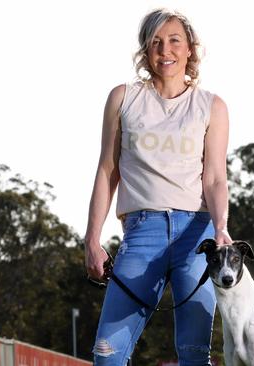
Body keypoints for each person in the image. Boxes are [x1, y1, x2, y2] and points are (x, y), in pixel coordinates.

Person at [83, 8, 232, 366]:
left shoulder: (211, 106)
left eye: (174, 41)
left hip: (197, 235)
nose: (165, 50)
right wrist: (91, 239)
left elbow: (214, 178)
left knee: (195, 355)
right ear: (146, 51)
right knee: (107, 352)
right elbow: (107, 170)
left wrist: (222, 228)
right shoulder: (124, 99)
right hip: (141, 233)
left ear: (190, 49)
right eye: (156, 42)